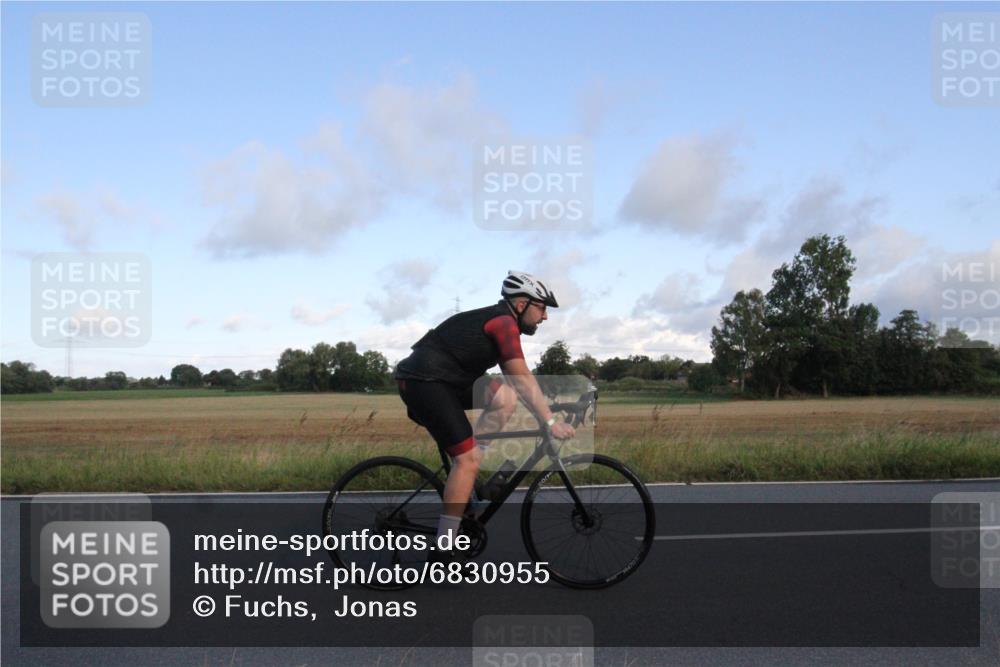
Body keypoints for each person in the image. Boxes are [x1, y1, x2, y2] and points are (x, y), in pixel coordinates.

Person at [395, 271, 576, 557]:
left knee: (505, 398)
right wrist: (550, 421)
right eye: (541, 308)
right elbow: (521, 375)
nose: (545, 317)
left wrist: (549, 411)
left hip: (447, 378)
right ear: (521, 305)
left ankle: (470, 478)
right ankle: (443, 548)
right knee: (467, 459)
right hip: (424, 382)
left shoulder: (502, 320)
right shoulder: (503, 323)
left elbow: (517, 385)